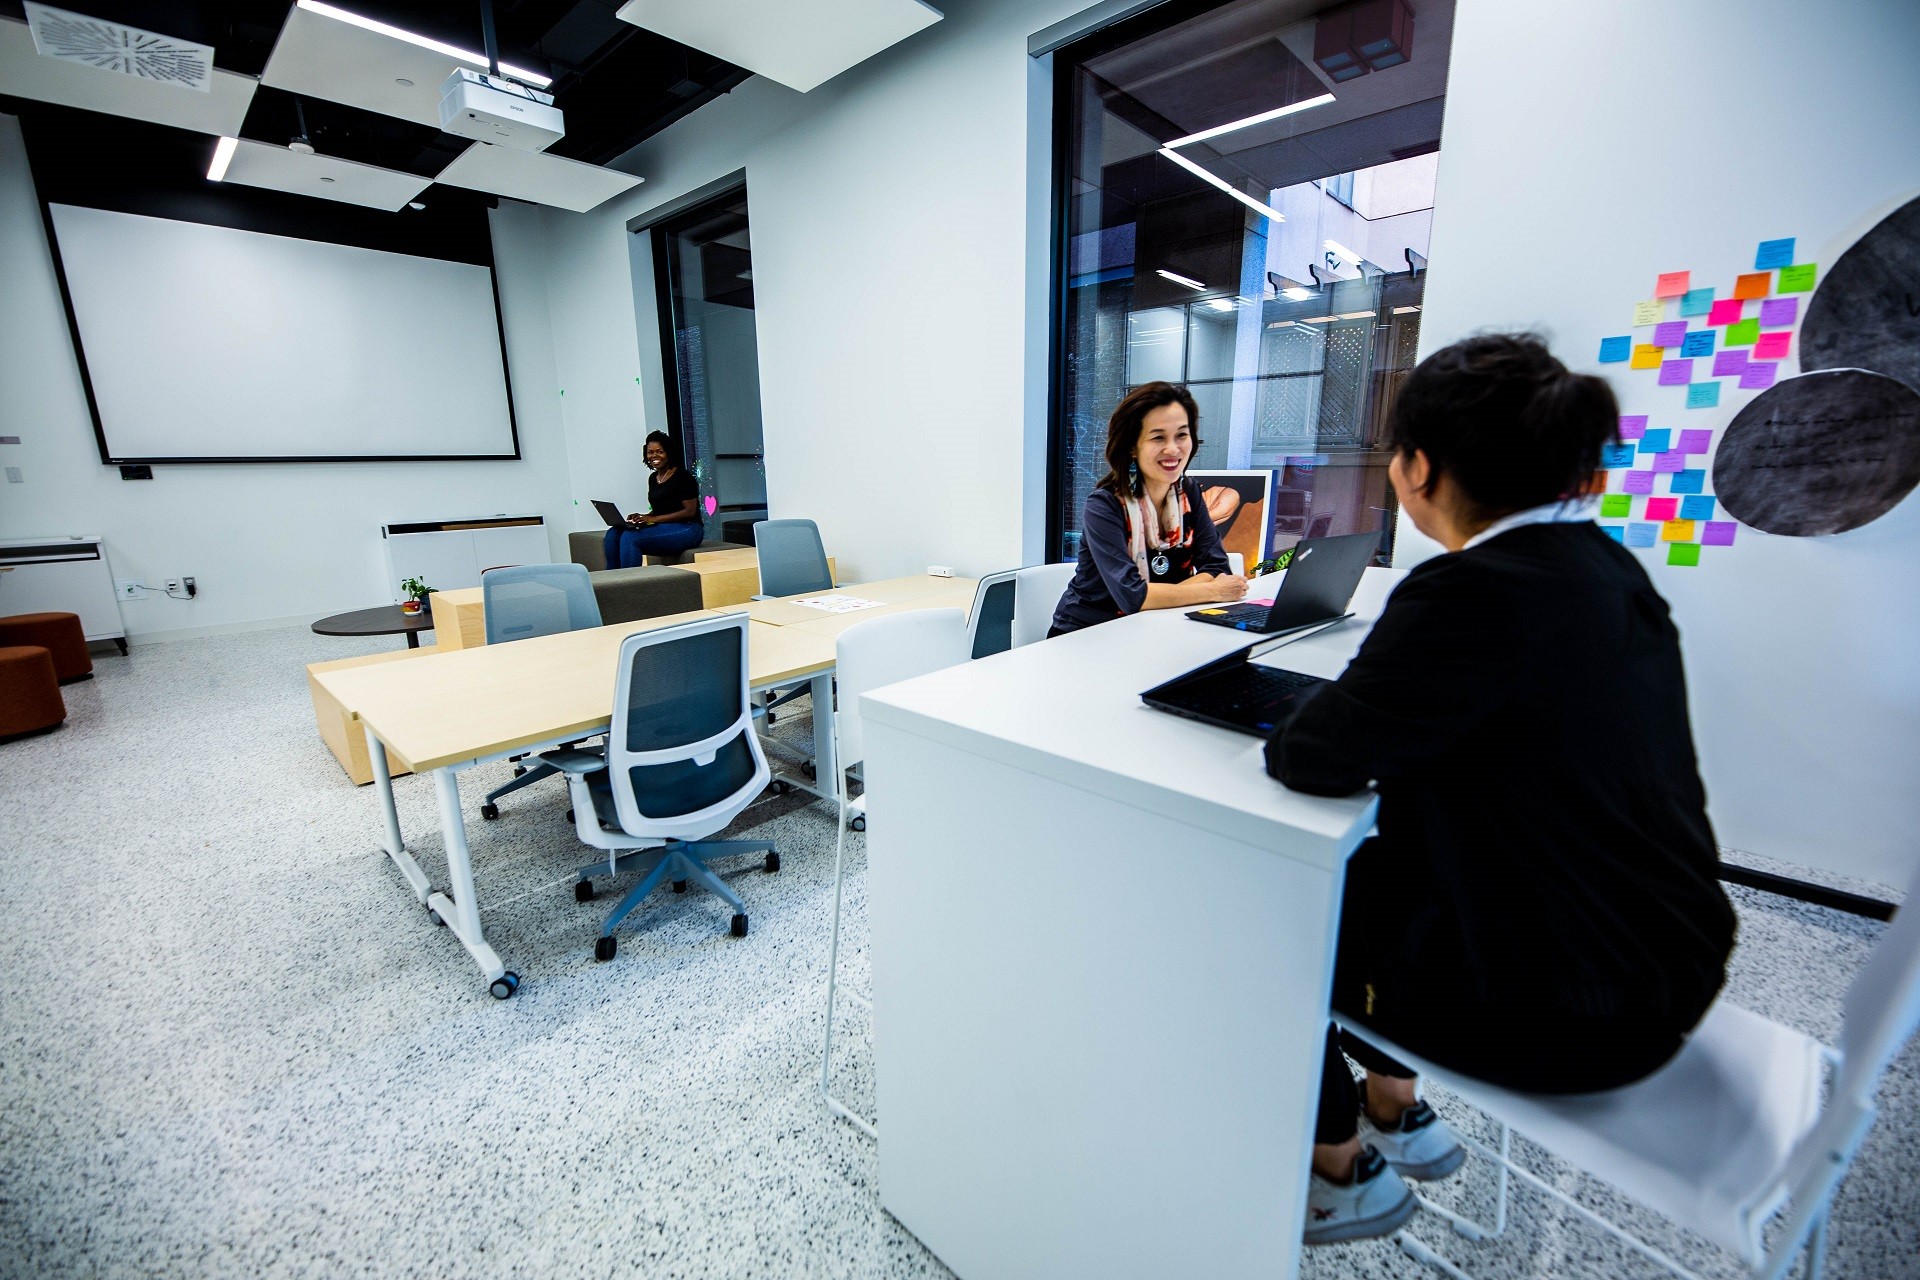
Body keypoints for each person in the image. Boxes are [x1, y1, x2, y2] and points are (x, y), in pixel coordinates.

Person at [1267, 334, 1736, 1246]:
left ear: (1419, 468)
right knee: (1375, 870)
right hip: (1669, 958)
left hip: (1574, 1013)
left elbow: (1307, 757)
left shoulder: (1468, 593)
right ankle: (1395, 1105)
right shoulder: (1606, 570)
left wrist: (1337, 707)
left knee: (1269, 897)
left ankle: (1336, 1166)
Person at [1049, 381, 1248, 636]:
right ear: (1132, 446)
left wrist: (1163, 596)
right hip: (1086, 636)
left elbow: (1218, 567)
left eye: (1181, 435)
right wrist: (1212, 590)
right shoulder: (1104, 506)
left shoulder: (1190, 492)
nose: (1173, 449)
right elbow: (1133, 597)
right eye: (1158, 437)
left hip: (1159, 627)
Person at [603, 431, 704, 569]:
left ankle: (628, 586)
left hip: (689, 528)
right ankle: (612, 582)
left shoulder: (683, 477)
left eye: (659, 451)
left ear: (668, 452)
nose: (654, 456)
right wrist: (642, 517)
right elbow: (660, 510)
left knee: (630, 537)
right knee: (613, 533)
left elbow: (689, 512)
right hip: (664, 526)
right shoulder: (653, 479)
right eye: (650, 452)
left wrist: (653, 519)